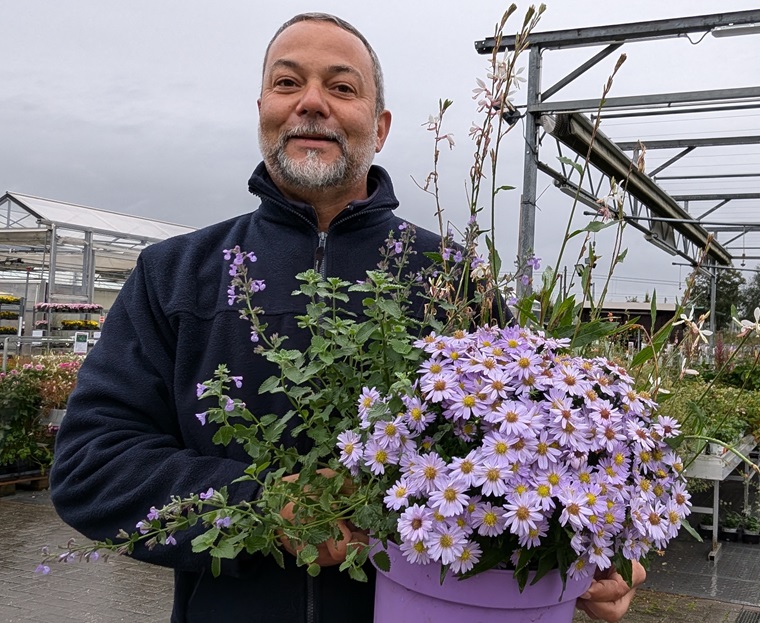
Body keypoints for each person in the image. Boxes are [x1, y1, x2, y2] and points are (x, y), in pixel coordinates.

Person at [50, 12, 644, 623]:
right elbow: (91, 465)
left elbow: (538, 444)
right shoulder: (175, 275)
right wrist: (268, 507)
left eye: (341, 87)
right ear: (262, 109)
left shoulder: (453, 278)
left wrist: (597, 553)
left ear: (380, 127)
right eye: (288, 84)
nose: (312, 103)